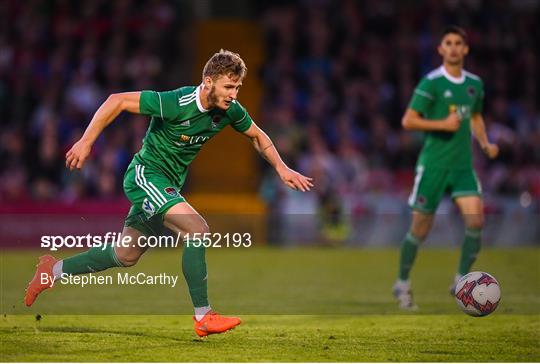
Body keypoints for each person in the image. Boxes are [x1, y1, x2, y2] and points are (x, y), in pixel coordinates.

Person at [25, 49, 314, 336]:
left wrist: (282, 168)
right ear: (208, 81)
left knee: (126, 254)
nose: (234, 94)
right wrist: (86, 141)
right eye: (228, 86)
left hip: (167, 185)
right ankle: (203, 316)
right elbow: (118, 100)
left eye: (237, 87)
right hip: (145, 176)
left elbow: (258, 136)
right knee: (197, 229)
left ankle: (52, 271)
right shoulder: (177, 102)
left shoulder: (229, 110)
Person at [392, 26, 499, 310]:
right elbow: (408, 120)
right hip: (434, 166)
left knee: (476, 222)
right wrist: (441, 124)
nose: (453, 47)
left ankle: (460, 280)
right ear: (440, 49)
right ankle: (402, 283)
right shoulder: (432, 83)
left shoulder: (475, 84)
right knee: (420, 229)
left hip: (462, 166)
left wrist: (486, 143)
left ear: (465, 49)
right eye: (448, 43)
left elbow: (474, 116)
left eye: (458, 43)